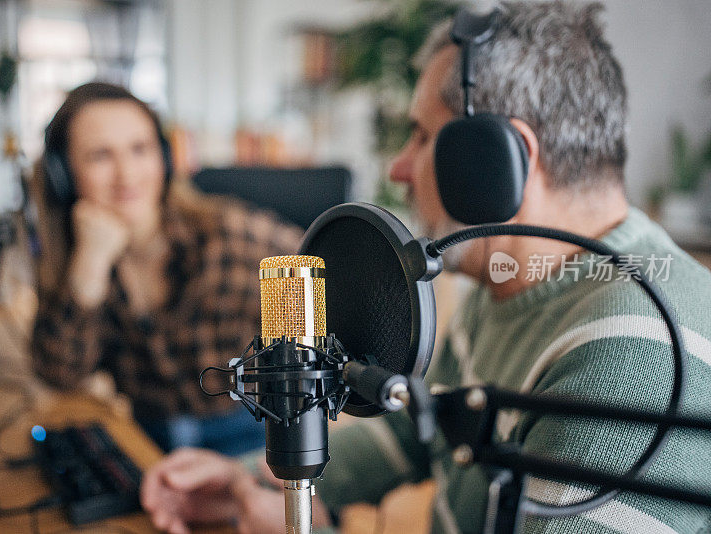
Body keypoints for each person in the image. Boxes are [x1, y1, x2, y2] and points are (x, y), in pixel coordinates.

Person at [140, 3, 711, 534]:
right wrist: (254, 482)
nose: (400, 166)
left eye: (421, 135)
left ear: (497, 162)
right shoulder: (510, 284)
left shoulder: (635, 347)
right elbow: (415, 431)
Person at [31, 82, 302, 456]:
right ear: (62, 174)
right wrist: (89, 267)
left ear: (165, 159)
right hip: (145, 438)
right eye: (100, 156)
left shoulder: (230, 234)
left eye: (139, 150)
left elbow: (326, 280)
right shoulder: (72, 255)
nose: (126, 175)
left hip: (250, 433)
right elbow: (59, 374)